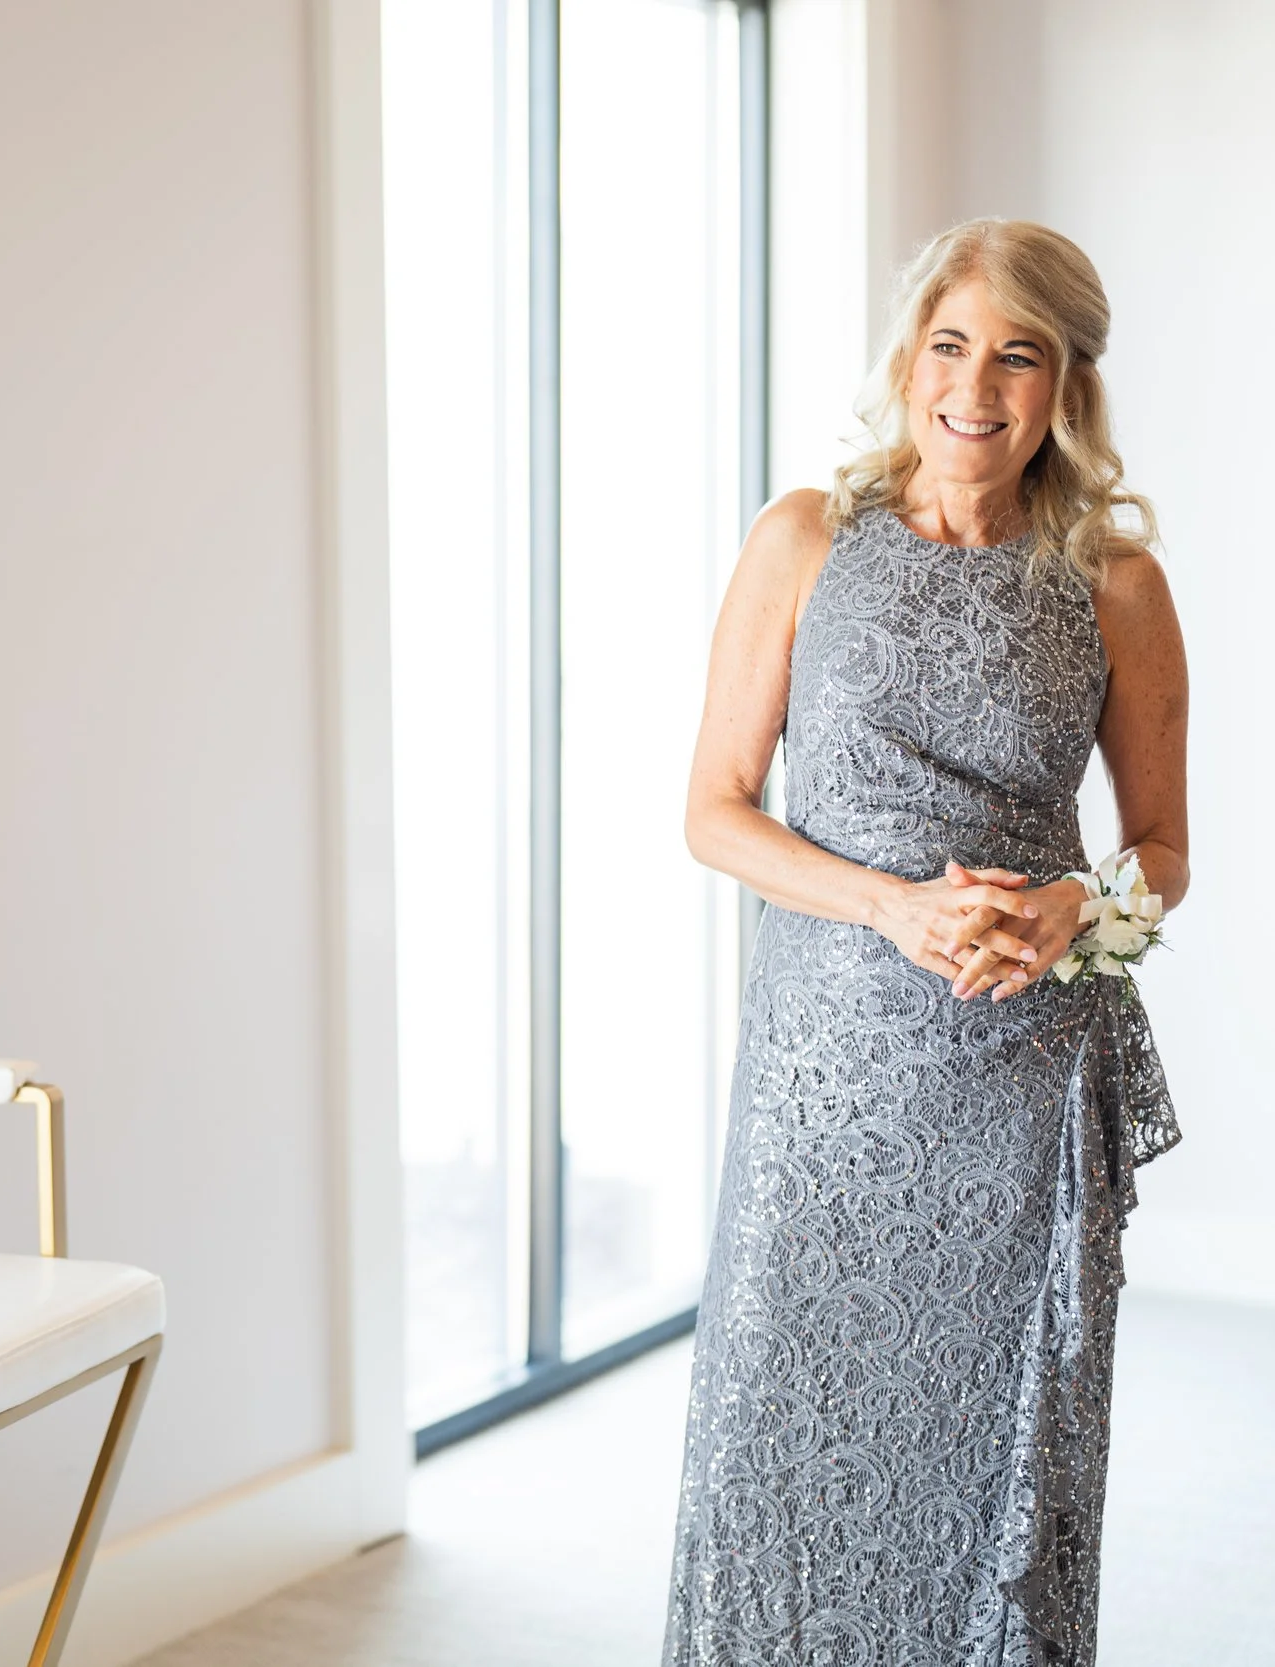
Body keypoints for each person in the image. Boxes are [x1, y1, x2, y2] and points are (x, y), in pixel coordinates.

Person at [667, 219, 1188, 1663]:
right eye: (950, 344)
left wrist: (1077, 902)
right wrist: (889, 904)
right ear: (908, 358)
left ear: (1066, 387)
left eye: (1019, 355)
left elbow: (1164, 848)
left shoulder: (1116, 586)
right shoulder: (804, 542)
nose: (976, 386)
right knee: (776, 1457)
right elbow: (714, 813)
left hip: (1020, 1099)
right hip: (821, 1092)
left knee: (1003, 1462)